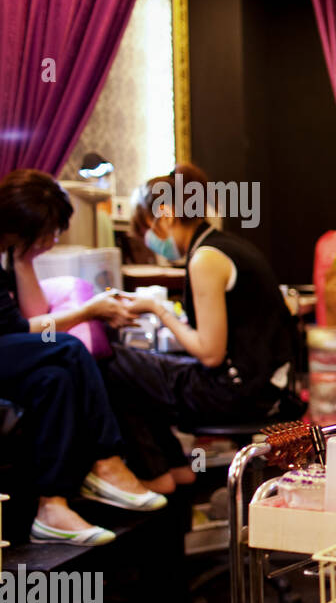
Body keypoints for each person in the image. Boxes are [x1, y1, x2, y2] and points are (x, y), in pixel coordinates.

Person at [100, 164, 299, 493]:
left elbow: (209, 352)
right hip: (267, 389)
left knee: (114, 363)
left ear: (164, 216)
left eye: (147, 230)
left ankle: (157, 474)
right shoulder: (228, 245)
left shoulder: (205, 258)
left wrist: (156, 308)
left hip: (235, 394)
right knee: (140, 373)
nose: (151, 242)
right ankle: (175, 468)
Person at [0, 169, 166, 545]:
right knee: (70, 348)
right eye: (51, 231)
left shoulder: (9, 256)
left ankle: (51, 506)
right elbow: (23, 332)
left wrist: (24, 261)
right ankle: (107, 460)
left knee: (53, 380)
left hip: (7, 349)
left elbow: (29, 315)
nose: (54, 240)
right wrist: (87, 312)